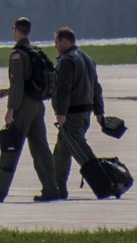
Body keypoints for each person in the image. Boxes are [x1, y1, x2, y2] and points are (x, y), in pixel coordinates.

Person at [0, 17, 60, 203]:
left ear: (16, 30)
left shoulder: (18, 54)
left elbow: (18, 84)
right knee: (41, 148)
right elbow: (26, 82)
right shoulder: (34, 51)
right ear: (28, 32)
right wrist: (8, 92)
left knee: (11, 146)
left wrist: (11, 109)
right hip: (38, 104)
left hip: (24, 105)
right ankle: (51, 188)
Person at [51, 26, 104, 199]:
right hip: (85, 113)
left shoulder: (67, 60)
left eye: (57, 42)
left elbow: (63, 89)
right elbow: (96, 87)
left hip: (71, 115)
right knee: (61, 152)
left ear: (65, 41)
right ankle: (56, 187)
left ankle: (104, 181)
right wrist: (99, 110)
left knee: (81, 151)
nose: (55, 46)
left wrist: (60, 112)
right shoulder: (88, 59)